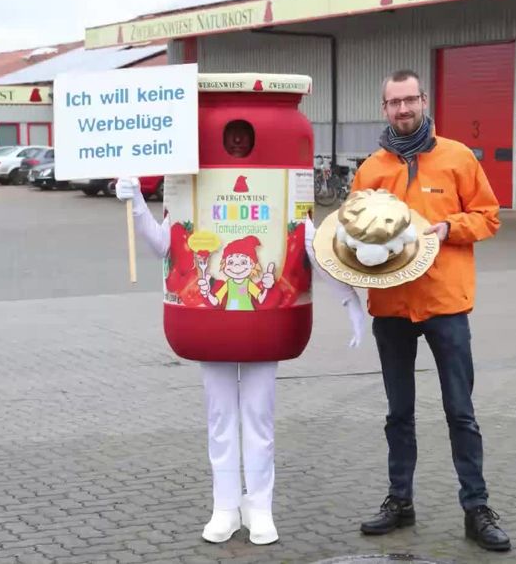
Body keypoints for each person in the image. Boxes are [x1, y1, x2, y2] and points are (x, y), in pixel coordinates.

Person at [114, 128, 369, 546]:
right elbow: (163, 247)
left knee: (258, 419)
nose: (235, 145)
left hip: (264, 326)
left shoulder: (286, 183)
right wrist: (137, 205)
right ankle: (225, 505)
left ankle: (261, 506)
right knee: (220, 420)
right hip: (209, 327)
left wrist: (349, 302)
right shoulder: (186, 184)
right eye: (226, 140)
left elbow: (311, 246)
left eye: (241, 140)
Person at [348, 69, 509, 551]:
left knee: (460, 412)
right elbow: (352, 234)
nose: (403, 110)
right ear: (384, 109)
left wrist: (447, 229)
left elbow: (489, 216)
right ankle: (401, 502)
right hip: (392, 307)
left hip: (445, 304)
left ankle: (476, 508)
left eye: (410, 100)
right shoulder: (371, 169)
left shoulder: (458, 157)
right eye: (393, 103)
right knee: (399, 413)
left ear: (424, 101)